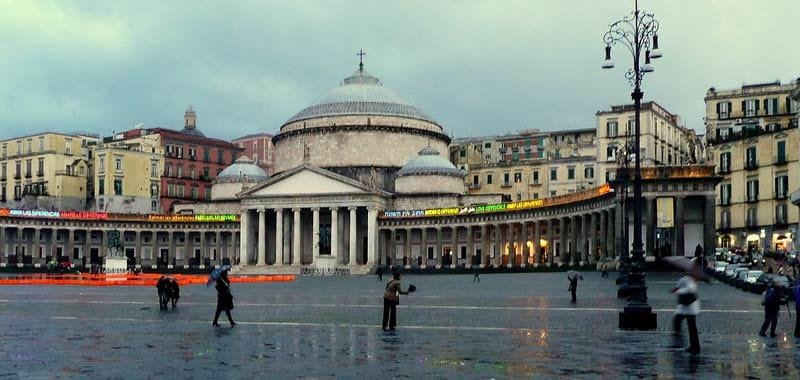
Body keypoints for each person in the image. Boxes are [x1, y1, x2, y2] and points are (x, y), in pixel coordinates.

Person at [672, 272, 701, 355]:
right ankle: (694, 346)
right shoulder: (686, 279)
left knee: (691, 327)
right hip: (688, 307)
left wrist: (679, 291)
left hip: (689, 307)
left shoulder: (690, 280)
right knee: (691, 326)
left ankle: (694, 347)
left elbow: (690, 289)